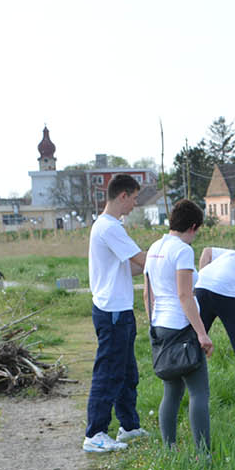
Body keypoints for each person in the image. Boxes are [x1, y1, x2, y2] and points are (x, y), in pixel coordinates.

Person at [84, 175, 149, 454]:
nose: (135, 204)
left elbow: (131, 268)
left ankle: (129, 426)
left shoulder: (112, 227)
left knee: (126, 372)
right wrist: (167, 257)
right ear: (122, 195)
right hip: (112, 312)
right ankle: (95, 433)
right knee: (109, 373)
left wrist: (151, 264)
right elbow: (143, 260)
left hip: (119, 309)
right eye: (134, 198)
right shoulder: (109, 227)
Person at [143, 199, 212, 450]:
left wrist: (152, 324)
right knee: (199, 393)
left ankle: (169, 450)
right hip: (181, 327)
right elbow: (185, 295)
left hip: (160, 324)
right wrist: (202, 334)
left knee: (171, 392)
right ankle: (203, 454)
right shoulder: (183, 250)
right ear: (193, 226)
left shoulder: (153, 248)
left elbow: (147, 294)